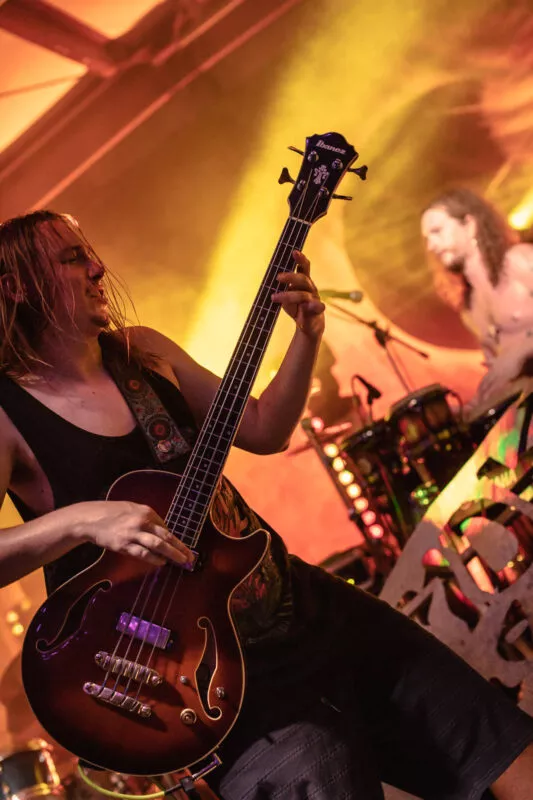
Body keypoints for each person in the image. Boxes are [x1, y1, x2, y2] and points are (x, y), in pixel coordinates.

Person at [0, 210, 533, 800]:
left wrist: (306, 335)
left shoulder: (141, 353)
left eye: (89, 251)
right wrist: (80, 520)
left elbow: (261, 427)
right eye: (72, 258)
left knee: (505, 749)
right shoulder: (9, 412)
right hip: (212, 678)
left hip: (301, 604)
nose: (98, 267)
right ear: (20, 284)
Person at [421, 187, 533, 413]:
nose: (431, 245)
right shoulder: (470, 308)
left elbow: (514, 360)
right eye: (427, 238)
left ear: (470, 225)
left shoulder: (519, 260)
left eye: (438, 231)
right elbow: (502, 375)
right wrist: (467, 411)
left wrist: (521, 353)